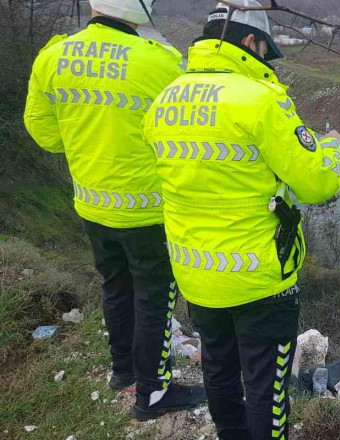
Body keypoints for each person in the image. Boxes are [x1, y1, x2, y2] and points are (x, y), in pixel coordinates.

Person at [141, 1, 340, 438]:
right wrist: (333, 147)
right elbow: (316, 186)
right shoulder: (260, 99)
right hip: (258, 278)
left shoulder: (166, 99)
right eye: (263, 51)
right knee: (266, 385)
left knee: (217, 369)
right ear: (251, 42)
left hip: (196, 270)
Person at [23, 0, 205, 421]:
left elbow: (45, 134)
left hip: (91, 202)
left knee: (116, 286)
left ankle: (123, 371)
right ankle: (153, 393)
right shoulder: (159, 62)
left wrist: (89, 144)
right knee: (153, 298)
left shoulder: (52, 56)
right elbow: (189, 133)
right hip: (148, 210)